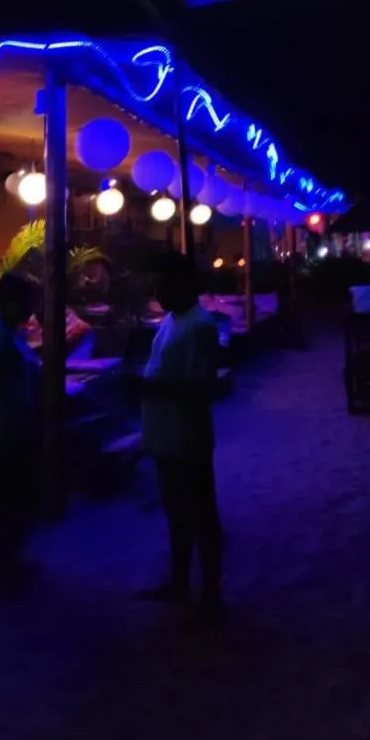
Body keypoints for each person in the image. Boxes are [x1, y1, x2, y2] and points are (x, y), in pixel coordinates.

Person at [138, 250, 224, 627]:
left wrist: (149, 386)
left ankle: (210, 592)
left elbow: (201, 387)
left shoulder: (199, 326)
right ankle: (179, 581)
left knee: (201, 513)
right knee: (176, 512)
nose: (157, 291)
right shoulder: (172, 321)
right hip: (164, 431)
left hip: (187, 432)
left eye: (162, 284)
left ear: (182, 285)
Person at [0, 273, 41, 592]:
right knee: (10, 503)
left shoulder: (9, 334)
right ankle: (3, 569)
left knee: (17, 502)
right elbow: (8, 382)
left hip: (13, 428)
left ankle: (11, 562)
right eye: (27, 302)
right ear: (10, 302)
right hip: (3, 430)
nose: (31, 310)